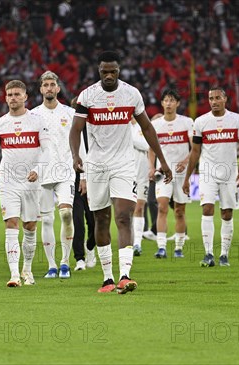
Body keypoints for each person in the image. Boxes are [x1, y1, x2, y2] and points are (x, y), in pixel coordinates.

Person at [69, 50, 172, 294]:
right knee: (101, 219)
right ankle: (107, 279)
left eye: (112, 71)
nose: (108, 75)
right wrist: (76, 156)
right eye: (104, 71)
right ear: (98, 71)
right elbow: (75, 130)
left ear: (119, 70)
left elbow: (147, 127)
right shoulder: (88, 96)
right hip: (95, 165)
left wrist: (162, 160)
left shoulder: (131, 93)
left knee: (124, 216)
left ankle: (125, 275)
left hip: (124, 164)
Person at [0, 79, 50, 287]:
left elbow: (48, 150)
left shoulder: (37, 121)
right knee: (11, 224)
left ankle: (27, 269)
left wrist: (38, 170)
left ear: (26, 97)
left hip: (31, 184)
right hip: (9, 182)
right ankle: (14, 275)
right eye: (10, 95)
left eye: (17, 94)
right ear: (5, 97)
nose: (13, 98)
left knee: (29, 227)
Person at [183, 86, 239, 267]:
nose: (214, 101)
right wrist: (187, 177)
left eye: (217, 98)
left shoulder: (237, 120)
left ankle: (224, 255)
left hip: (229, 173)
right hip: (207, 173)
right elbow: (195, 151)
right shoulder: (201, 122)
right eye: (211, 98)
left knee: (227, 213)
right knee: (207, 209)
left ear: (225, 99)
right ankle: (208, 253)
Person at [33, 71, 80, 279]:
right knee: (47, 220)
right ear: (41, 89)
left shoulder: (70, 113)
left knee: (66, 214)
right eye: (46, 85)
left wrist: (84, 173)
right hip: (41, 173)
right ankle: (52, 265)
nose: (49, 88)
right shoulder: (32, 115)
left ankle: (65, 262)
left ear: (58, 88)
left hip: (65, 171)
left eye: (53, 84)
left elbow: (80, 142)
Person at [150, 89, 194, 259]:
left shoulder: (187, 122)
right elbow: (151, 149)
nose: (168, 103)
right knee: (161, 207)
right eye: (166, 100)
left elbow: (195, 148)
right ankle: (161, 247)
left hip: (182, 173)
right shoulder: (156, 125)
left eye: (172, 100)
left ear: (177, 103)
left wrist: (186, 161)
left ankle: (178, 248)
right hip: (163, 172)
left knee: (179, 211)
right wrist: (151, 167)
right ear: (162, 103)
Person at [69, 97, 97, 271]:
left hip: (94, 177)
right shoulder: (69, 131)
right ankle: (79, 258)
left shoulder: (95, 129)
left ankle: (91, 247)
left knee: (94, 221)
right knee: (77, 221)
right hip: (73, 177)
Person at [131, 117, 150, 256]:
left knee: (139, 207)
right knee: (126, 210)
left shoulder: (142, 126)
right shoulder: (121, 125)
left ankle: (137, 242)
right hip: (125, 172)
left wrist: (129, 139)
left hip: (142, 173)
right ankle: (129, 240)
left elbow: (146, 145)